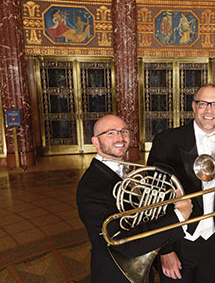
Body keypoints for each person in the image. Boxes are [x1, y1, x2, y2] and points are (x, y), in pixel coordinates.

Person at [76, 114, 193, 282]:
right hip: (115, 275)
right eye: (110, 133)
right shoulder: (91, 187)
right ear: (95, 142)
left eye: (124, 131)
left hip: (141, 269)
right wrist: (178, 216)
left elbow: (143, 219)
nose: (120, 137)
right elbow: (123, 242)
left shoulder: (125, 172)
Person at [147, 84, 215, 282]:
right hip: (177, 241)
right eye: (203, 104)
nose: (209, 110)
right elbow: (153, 201)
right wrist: (165, 250)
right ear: (193, 106)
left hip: (213, 244)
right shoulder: (167, 141)